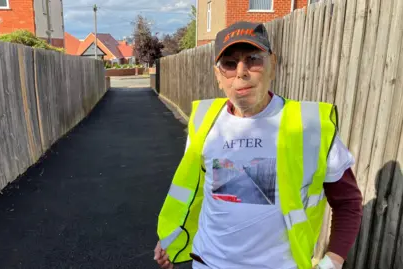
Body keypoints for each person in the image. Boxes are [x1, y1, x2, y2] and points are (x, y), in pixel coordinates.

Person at [153, 21, 363, 269]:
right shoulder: (204, 122)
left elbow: (347, 201)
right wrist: (172, 238)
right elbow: (199, 193)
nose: (241, 72)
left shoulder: (311, 126)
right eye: (229, 64)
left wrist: (334, 261)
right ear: (218, 76)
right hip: (208, 263)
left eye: (253, 59)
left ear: (273, 65)